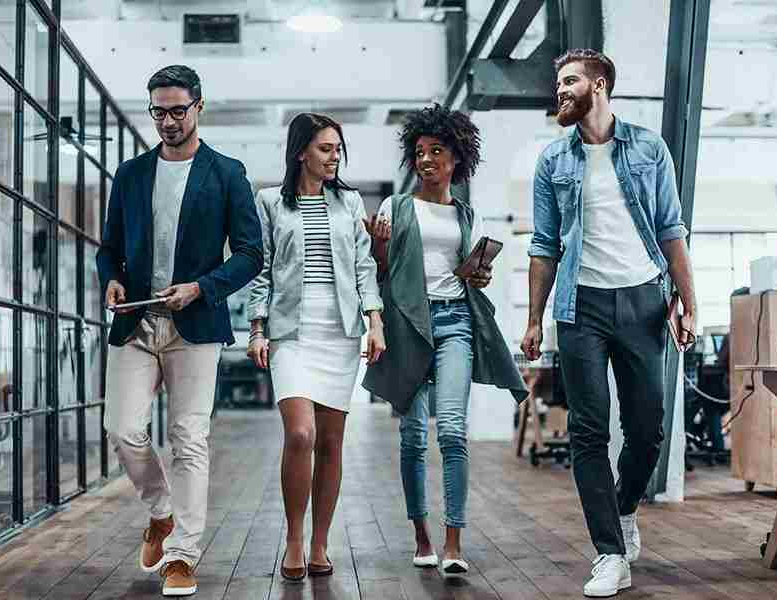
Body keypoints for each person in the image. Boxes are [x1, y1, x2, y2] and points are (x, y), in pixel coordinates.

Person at [520, 49, 698, 598]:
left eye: (570, 81)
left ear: (599, 85)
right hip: (580, 307)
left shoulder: (648, 147)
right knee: (589, 433)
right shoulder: (554, 160)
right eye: (559, 83)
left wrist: (689, 302)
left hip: (644, 301)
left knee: (648, 429)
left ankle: (623, 509)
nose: (561, 91)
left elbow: (671, 228)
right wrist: (533, 318)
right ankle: (609, 554)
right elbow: (544, 245)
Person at [96, 65, 263, 597]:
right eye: (158, 112)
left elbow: (251, 255)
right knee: (122, 428)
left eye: (177, 111)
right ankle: (162, 511)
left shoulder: (227, 173)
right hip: (136, 321)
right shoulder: (130, 174)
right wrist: (112, 280)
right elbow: (109, 249)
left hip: (196, 324)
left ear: (199, 108)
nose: (167, 121)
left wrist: (203, 287)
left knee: (190, 438)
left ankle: (183, 555)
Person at [363, 104, 528, 577]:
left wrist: (481, 272)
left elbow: (476, 277)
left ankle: (454, 540)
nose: (426, 159)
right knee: (414, 434)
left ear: (457, 159)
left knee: (452, 429)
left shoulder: (466, 214)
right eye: (420, 151)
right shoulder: (396, 207)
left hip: (456, 321)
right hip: (407, 326)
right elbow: (381, 269)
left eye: (437, 151)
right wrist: (378, 246)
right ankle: (422, 535)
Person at [246, 113, 385, 581]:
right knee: (301, 434)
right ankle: (292, 538)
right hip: (291, 334)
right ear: (301, 151)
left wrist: (375, 320)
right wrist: (257, 329)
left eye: (338, 149)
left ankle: (321, 543)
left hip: (340, 332)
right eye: (326, 148)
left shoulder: (348, 201)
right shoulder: (269, 202)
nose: (334, 157)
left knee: (330, 442)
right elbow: (261, 269)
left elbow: (364, 266)